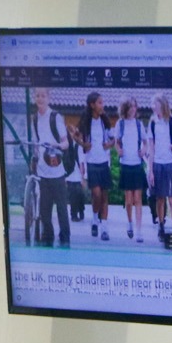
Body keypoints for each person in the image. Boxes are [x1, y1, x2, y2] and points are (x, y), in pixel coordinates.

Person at [30, 87, 72, 247]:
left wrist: (56, 145)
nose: (40, 99)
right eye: (37, 96)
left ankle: (65, 239)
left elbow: (66, 143)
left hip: (57, 172)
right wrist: (35, 156)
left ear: (48, 98)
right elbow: (36, 144)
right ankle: (48, 238)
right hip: (43, 172)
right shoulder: (34, 119)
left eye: (43, 96)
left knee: (61, 209)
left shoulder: (55, 117)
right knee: (44, 210)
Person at [76, 92, 113, 240]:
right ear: (92, 105)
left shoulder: (105, 121)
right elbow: (76, 137)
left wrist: (109, 144)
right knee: (96, 194)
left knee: (104, 196)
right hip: (92, 162)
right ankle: (95, 218)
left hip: (104, 162)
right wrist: (83, 144)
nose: (102, 106)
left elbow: (113, 140)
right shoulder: (86, 121)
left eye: (102, 103)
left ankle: (104, 228)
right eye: (99, 103)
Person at [148, 94, 172, 238]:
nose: (153, 107)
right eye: (152, 105)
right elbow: (151, 149)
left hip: (171, 164)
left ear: (162, 105)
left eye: (155, 104)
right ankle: (161, 226)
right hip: (158, 164)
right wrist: (151, 171)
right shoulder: (152, 123)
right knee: (160, 198)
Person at [115, 95, 149, 242]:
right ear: (125, 108)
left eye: (134, 106)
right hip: (125, 164)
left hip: (137, 164)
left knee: (138, 199)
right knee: (128, 200)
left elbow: (146, 142)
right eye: (130, 106)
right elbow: (116, 141)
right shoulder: (120, 124)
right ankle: (129, 223)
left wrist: (144, 150)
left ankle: (139, 231)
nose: (133, 109)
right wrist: (118, 150)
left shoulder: (139, 124)